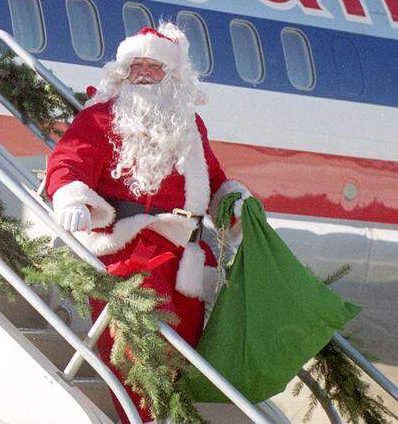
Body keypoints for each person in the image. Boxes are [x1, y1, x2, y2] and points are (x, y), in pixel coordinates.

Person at [46, 23, 251, 418]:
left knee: (181, 356)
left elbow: (215, 179)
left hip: (183, 260)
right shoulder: (101, 118)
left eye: (153, 66)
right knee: (136, 357)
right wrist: (70, 195)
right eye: (135, 64)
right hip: (128, 251)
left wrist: (234, 204)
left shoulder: (189, 126)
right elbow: (69, 161)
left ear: (172, 75)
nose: (142, 72)